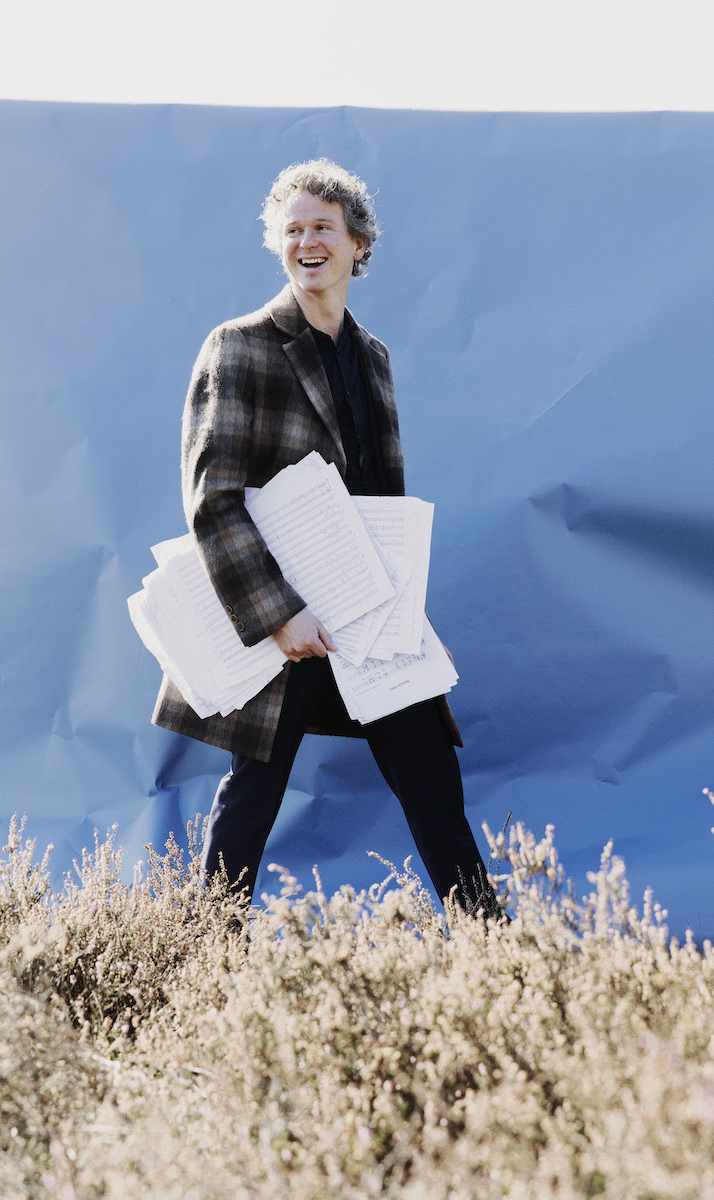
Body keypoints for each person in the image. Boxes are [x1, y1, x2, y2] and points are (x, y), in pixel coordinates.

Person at [153, 159, 501, 918]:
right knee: (253, 796)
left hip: (367, 609)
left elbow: (379, 494)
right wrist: (279, 614)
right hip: (287, 620)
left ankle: (501, 958)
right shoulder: (238, 345)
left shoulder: (373, 357)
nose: (306, 242)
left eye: (322, 228)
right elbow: (212, 499)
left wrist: (400, 607)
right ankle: (197, 957)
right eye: (293, 229)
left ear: (357, 244)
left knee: (433, 780)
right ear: (278, 243)